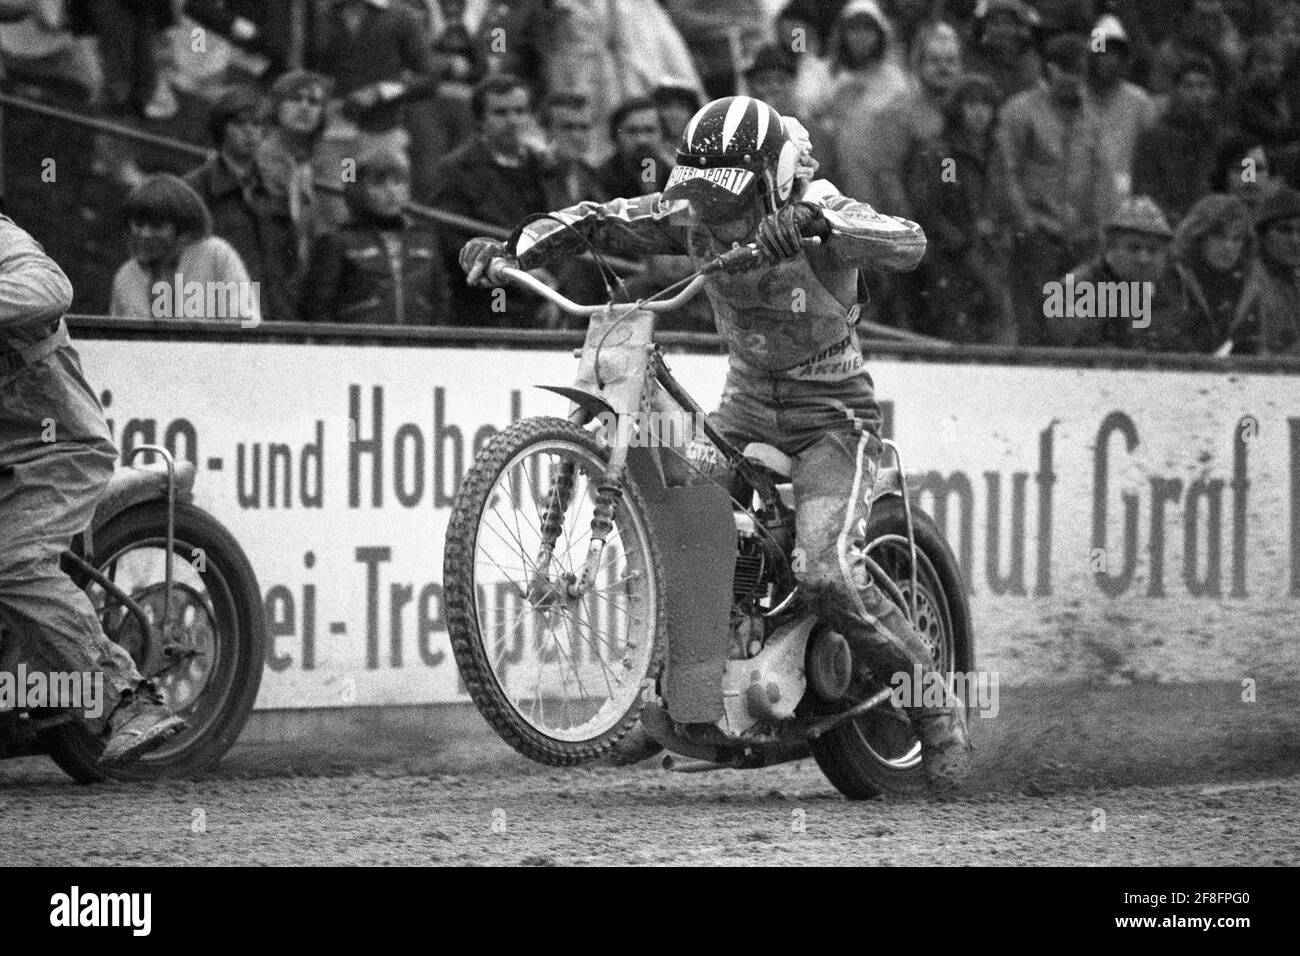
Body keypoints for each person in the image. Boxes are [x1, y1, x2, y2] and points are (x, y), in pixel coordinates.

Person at [458, 95, 972, 790]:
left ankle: (935, 707)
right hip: (744, 411)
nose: (712, 217)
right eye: (698, 197)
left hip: (834, 425)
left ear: (772, 181)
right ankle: (682, 702)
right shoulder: (691, 214)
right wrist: (512, 247)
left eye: (726, 200)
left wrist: (817, 223)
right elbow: (599, 217)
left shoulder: (821, 209)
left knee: (824, 569)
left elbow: (907, 239)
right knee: (678, 518)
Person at [0, 214, 185, 765]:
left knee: (12, 561)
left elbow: (49, 286)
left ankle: (127, 697)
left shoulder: (3, 240)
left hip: (54, 451)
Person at [422, 74, 576, 327]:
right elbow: (450, 241)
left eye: (520, 111)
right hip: (487, 306)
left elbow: (564, 226)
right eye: (501, 113)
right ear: (481, 120)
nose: (513, 121)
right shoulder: (456, 171)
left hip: (548, 302)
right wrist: (511, 271)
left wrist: (554, 291)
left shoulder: (544, 168)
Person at [999, 32, 1117, 343]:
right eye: (1067, 70)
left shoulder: (1092, 118)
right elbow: (1005, 170)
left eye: (1079, 72)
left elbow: (1102, 175)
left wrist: (1106, 228)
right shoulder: (1020, 111)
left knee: (1075, 322)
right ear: (1050, 70)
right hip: (1038, 235)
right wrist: (1023, 219)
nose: (1074, 79)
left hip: (1082, 239)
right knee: (1033, 322)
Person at [907, 73, 1017, 343]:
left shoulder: (996, 153)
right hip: (952, 262)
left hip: (992, 256)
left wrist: (1000, 232)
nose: (979, 113)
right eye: (971, 104)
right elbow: (930, 208)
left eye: (986, 105)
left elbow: (1005, 200)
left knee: (1001, 334)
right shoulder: (945, 156)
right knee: (957, 338)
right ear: (958, 109)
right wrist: (962, 240)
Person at [185, 85, 300, 322]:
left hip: (277, 317)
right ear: (221, 129)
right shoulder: (196, 188)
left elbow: (290, 259)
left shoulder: (276, 188)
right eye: (240, 124)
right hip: (221, 320)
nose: (250, 132)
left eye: (257, 125)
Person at [301, 147, 449, 325]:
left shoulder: (426, 240)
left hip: (417, 347)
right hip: (358, 348)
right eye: (379, 183)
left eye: (398, 181)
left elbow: (441, 304)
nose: (391, 191)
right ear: (358, 189)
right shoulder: (336, 242)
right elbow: (318, 309)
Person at [109, 174, 260, 324]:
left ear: (182, 227)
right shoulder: (126, 276)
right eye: (139, 225)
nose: (146, 234)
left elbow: (245, 325)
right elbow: (116, 341)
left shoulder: (216, 255)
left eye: (157, 226)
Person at [1045, 196, 1183, 349]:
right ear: (1110, 248)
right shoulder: (1073, 289)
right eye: (1134, 248)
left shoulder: (1172, 288)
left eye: (1153, 250)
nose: (1144, 259)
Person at [1168, 193, 1268, 354]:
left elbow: (1256, 350)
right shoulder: (1172, 277)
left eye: (1236, 239)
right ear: (1198, 236)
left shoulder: (1250, 286)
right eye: (1219, 237)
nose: (1228, 246)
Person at [1132, 57, 1227, 225]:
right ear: (1175, 91)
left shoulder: (1222, 139)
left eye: (1203, 86)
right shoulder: (1152, 138)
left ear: (1212, 91)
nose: (1196, 94)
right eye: (1188, 86)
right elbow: (1145, 192)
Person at [1084, 13, 1159, 199]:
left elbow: (1152, 152)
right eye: (1102, 53)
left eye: (1115, 55)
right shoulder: (1076, 97)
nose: (1109, 61)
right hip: (1081, 190)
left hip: (1125, 194)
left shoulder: (1138, 100)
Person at [1252, 185, 1300, 353]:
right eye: (1285, 230)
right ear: (1262, 236)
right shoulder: (1252, 283)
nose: (1295, 241)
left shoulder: (1294, 280)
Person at [595, 97, 671, 199]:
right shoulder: (598, 182)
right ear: (615, 136)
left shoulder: (676, 180)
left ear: (663, 134)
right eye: (632, 131)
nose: (642, 140)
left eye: (649, 130)